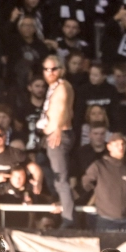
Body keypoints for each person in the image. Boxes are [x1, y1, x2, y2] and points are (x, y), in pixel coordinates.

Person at [81, 134, 126, 231]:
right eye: (116, 144)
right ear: (109, 146)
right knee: (107, 247)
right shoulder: (99, 166)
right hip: (105, 220)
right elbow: (84, 186)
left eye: (123, 144)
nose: (121, 147)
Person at [38, 55, 75, 228]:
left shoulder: (62, 86)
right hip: (49, 136)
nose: (50, 72)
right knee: (48, 172)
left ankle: (68, 220)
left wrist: (58, 127)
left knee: (61, 179)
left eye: (54, 68)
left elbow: (63, 109)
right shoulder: (53, 87)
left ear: (62, 70)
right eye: (46, 69)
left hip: (57, 135)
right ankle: (59, 203)